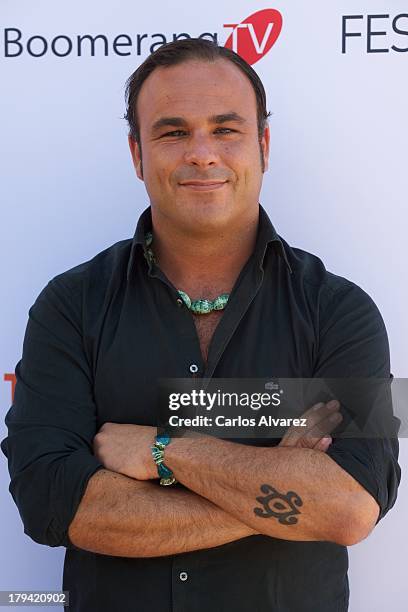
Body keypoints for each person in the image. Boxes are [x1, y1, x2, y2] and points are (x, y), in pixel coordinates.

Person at [1, 38, 400, 612]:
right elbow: (53, 505)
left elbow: (351, 506)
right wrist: (285, 487)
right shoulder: (71, 305)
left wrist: (165, 451)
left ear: (262, 145)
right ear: (138, 155)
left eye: (226, 129)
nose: (203, 153)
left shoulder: (340, 310)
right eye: (173, 132)